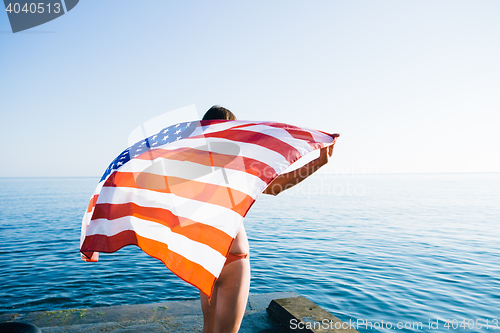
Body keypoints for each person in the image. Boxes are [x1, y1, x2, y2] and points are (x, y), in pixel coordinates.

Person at [199, 106, 334, 333]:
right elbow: (276, 187)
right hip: (232, 259)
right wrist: (318, 162)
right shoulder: (237, 166)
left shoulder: (193, 168)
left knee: (209, 329)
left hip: (206, 257)